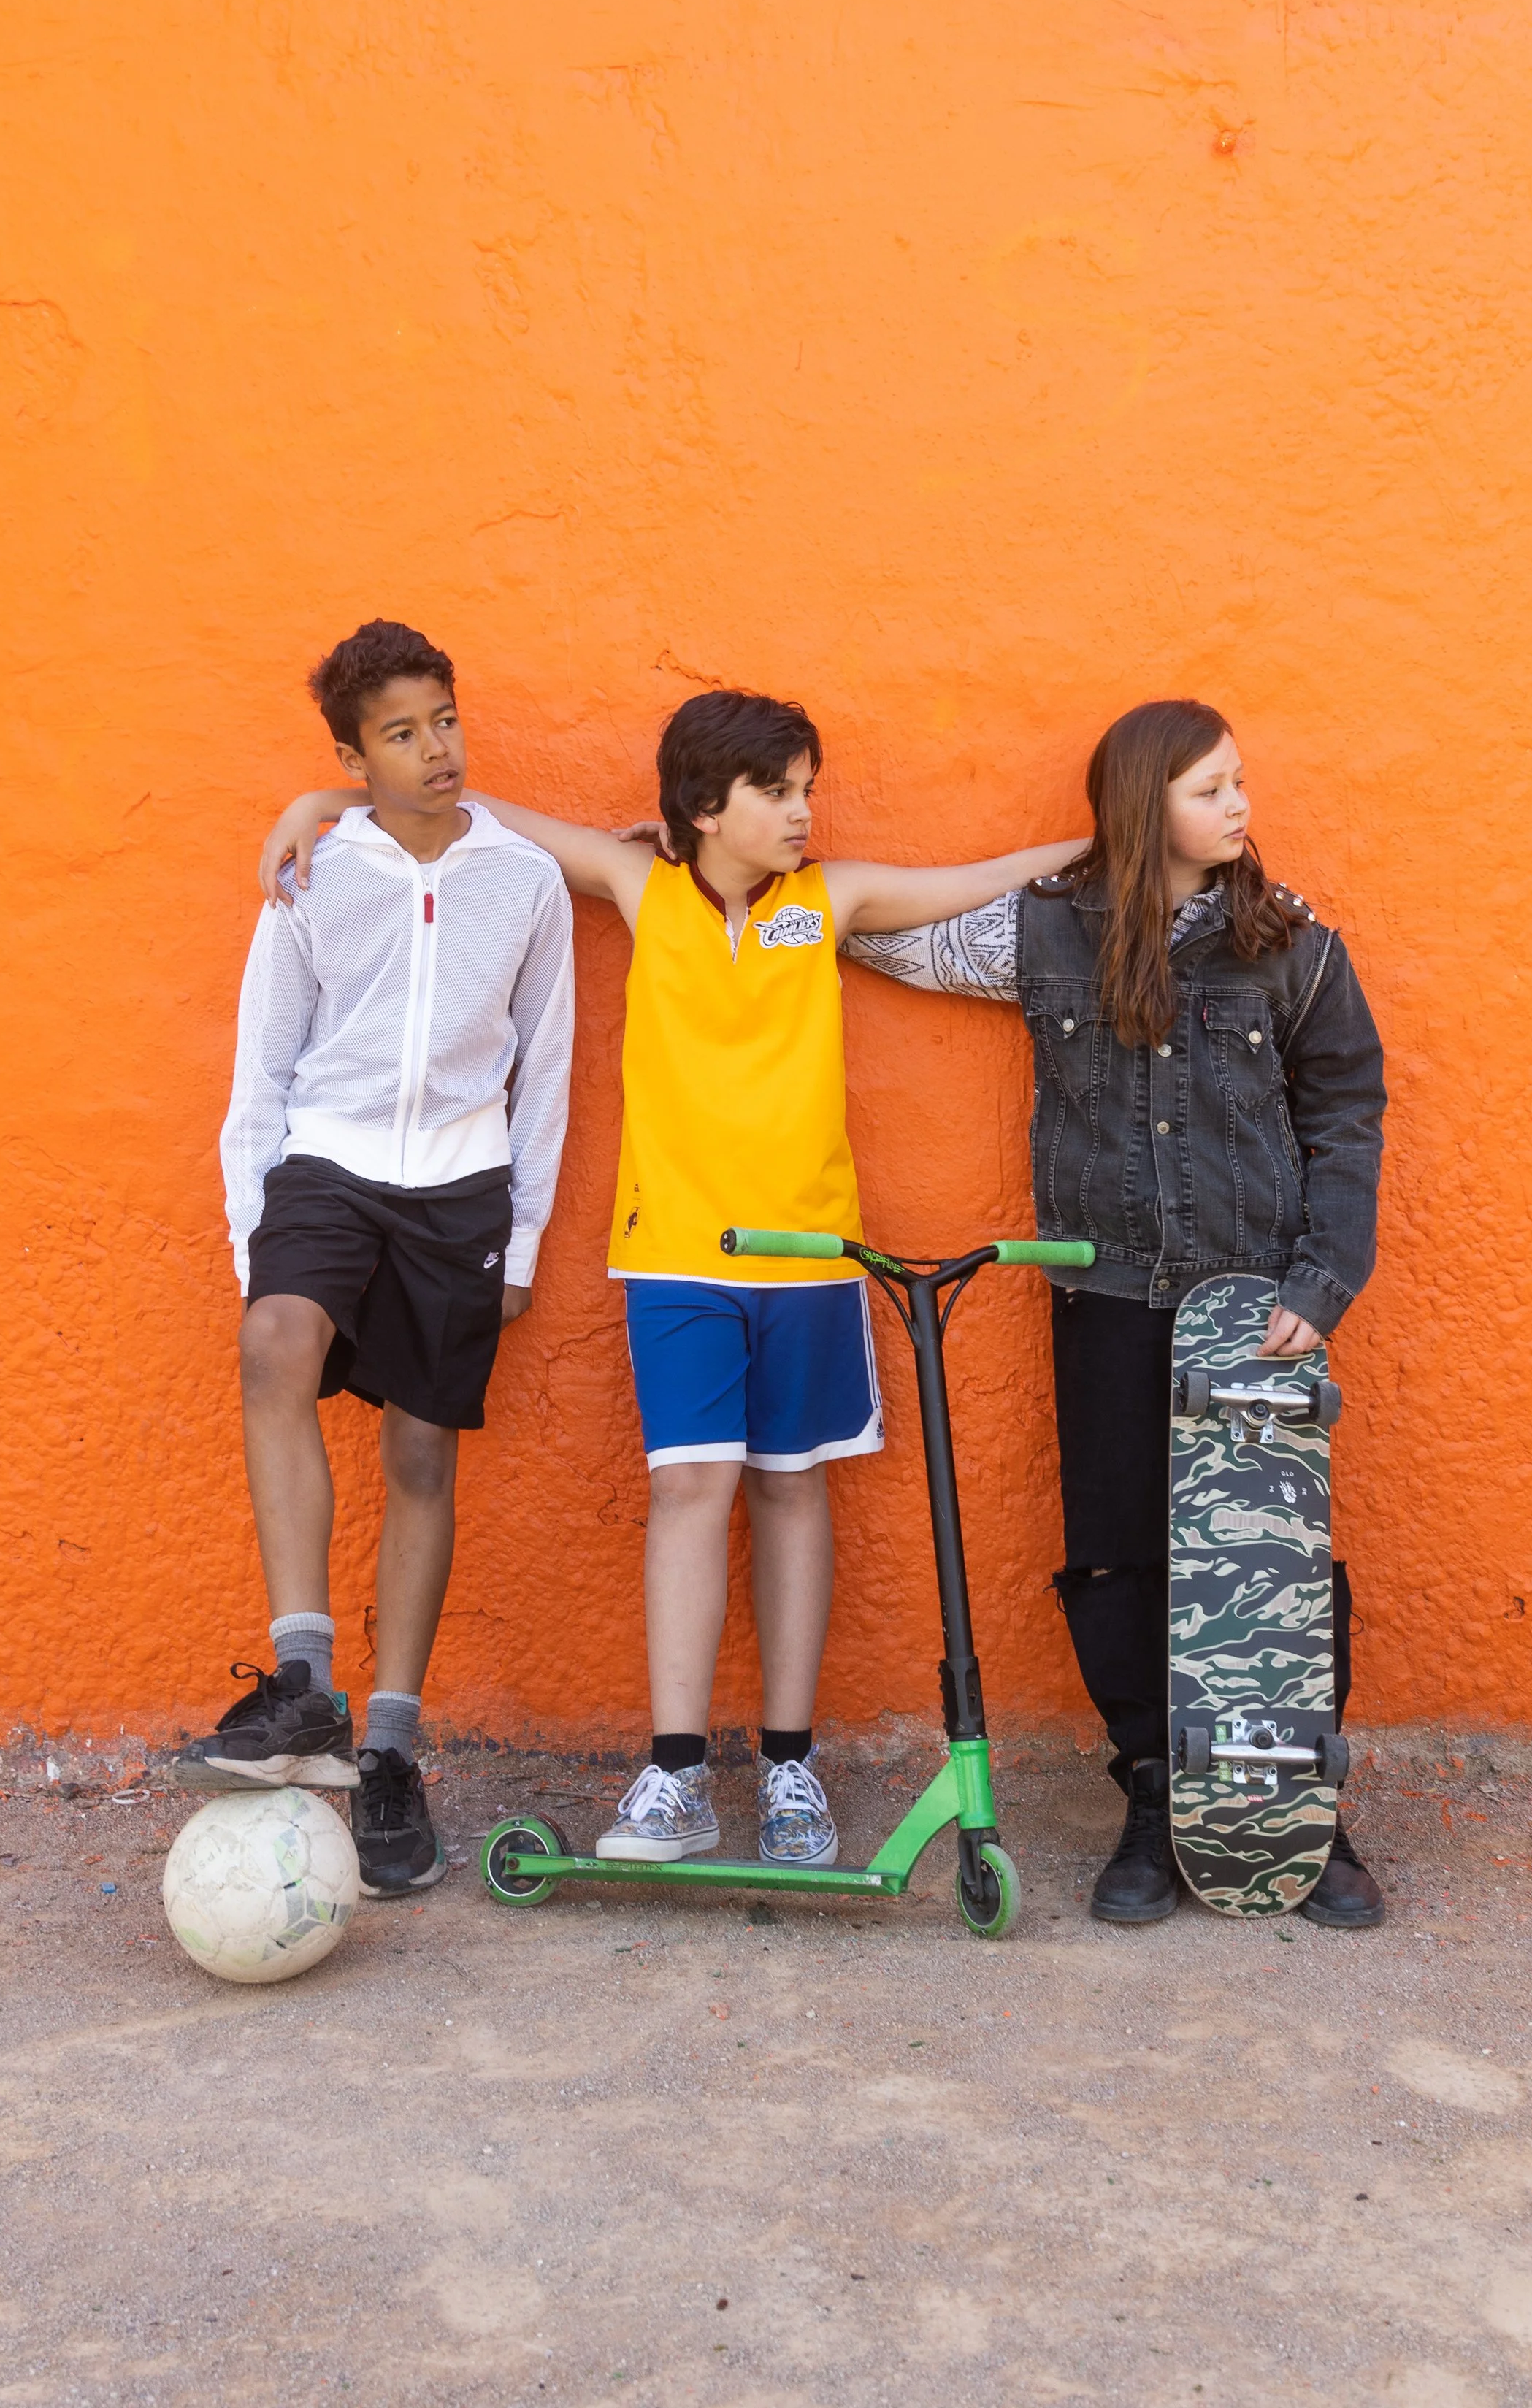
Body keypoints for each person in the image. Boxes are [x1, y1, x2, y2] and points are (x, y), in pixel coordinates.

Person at [260, 690, 1081, 1871]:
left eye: (809, 790)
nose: (804, 812)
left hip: (814, 1257)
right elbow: (472, 804)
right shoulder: (642, 888)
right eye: (779, 792)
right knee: (692, 1489)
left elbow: (980, 878)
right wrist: (320, 799)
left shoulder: (829, 900)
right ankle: (678, 1776)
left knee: (794, 1492)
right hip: (676, 1257)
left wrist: (1107, 846)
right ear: (706, 808)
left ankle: (792, 1771)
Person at [846, 699, 1388, 1928]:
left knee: (1273, 1567)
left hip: (1254, 1309)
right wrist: (728, 869)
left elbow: (1348, 1117)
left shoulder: (1291, 945)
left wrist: (1320, 1286)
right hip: (1105, 1296)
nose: (1240, 807)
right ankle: (1153, 1794)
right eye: (1210, 790)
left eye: (1240, 781)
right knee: (1121, 1551)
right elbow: (871, 930)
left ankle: (1298, 1811)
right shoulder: (1043, 936)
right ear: (1147, 808)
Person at [182, 620, 575, 1902]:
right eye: (402, 734)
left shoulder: (523, 880)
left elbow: (547, 1065)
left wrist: (519, 1231)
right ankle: (304, 1684)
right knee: (272, 1343)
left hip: (458, 1186)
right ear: (353, 756)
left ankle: (392, 1752)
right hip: (329, 1165)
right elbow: (264, 1064)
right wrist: (257, 1232)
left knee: (420, 1451)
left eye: (446, 721)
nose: (436, 749)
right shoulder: (316, 873)